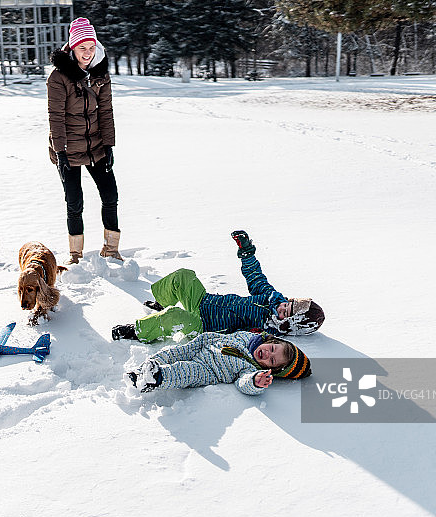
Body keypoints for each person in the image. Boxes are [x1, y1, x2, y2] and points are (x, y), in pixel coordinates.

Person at [112, 230, 325, 342]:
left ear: (291, 325)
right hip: (205, 302)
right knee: (184, 276)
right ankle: (161, 303)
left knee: (175, 317)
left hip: (203, 326)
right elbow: (255, 278)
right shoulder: (272, 298)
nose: (281, 307)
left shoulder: (265, 333)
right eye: (286, 304)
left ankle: (138, 332)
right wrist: (247, 252)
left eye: (285, 313)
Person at [47, 17, 122, 264]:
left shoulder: (100, 73)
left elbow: (106, 111)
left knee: (110, 195)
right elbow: (56, 117)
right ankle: (75, 255)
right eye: (82, 48)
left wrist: (109, 145)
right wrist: (61, 152)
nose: (87, 53)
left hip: (96, 147)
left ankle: (111, 249)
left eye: (91, 47)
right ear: (73, 48)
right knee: (74, 201)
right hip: (68, 148)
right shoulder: (59, 78)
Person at [126, 330, 311, 395]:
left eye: (271, 361)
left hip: (209, 370)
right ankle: (141, 373)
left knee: (185, 371)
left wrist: (255, 381)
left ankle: (158, 377)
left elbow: (243, 382)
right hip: (202, 345)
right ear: (270, 341)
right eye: (271, 349)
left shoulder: (250, 368)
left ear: (270, 369)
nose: (266, 354)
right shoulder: (249, 337)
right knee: (171, 353)